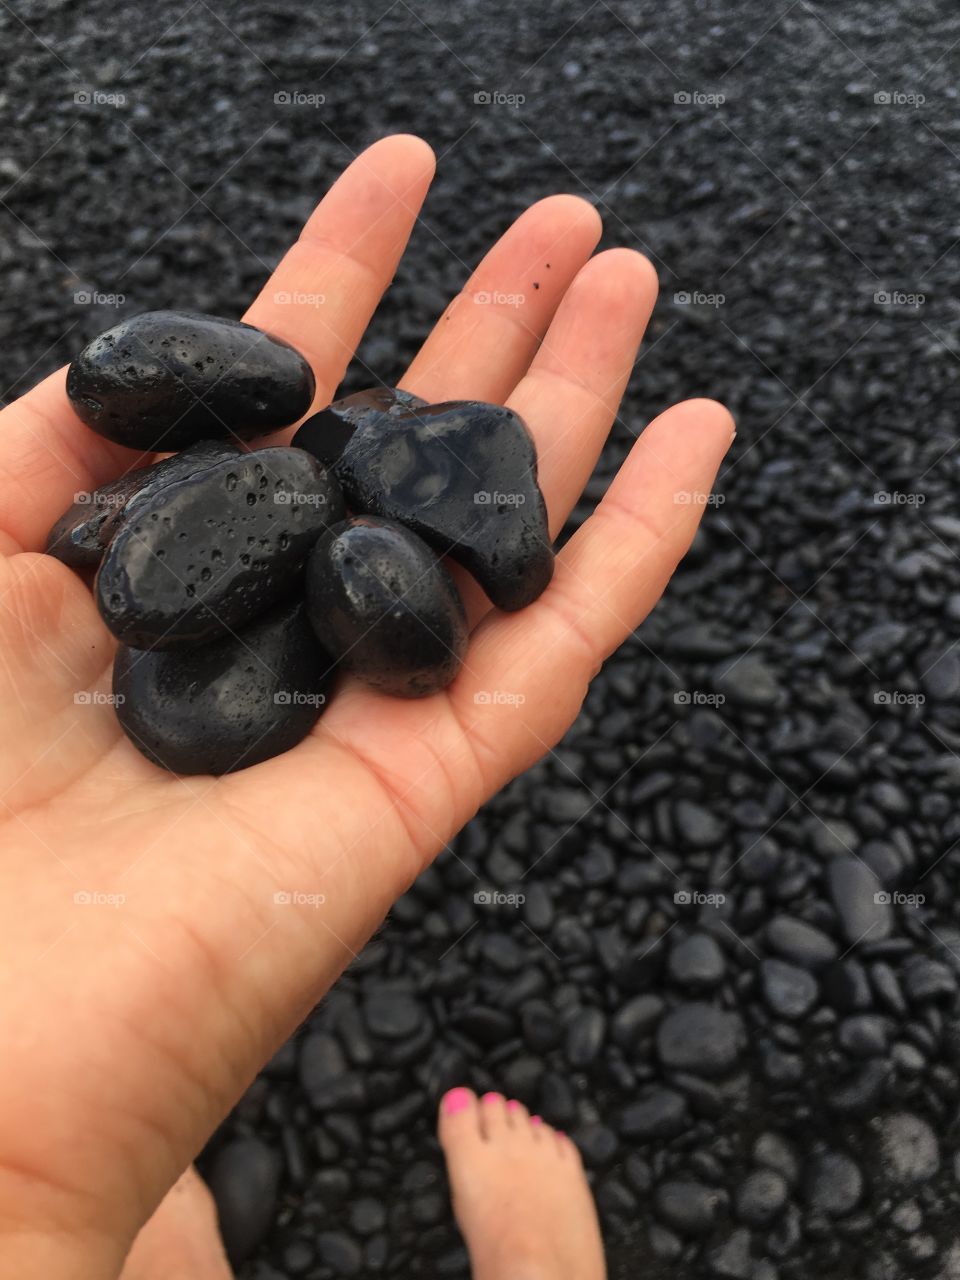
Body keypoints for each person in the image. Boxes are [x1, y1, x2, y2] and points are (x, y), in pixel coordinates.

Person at [0, 133, 733, 1278]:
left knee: (96, 1224)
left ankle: (76, 1207)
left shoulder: (311, 488)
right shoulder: (295, 500)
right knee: (65, 1207)